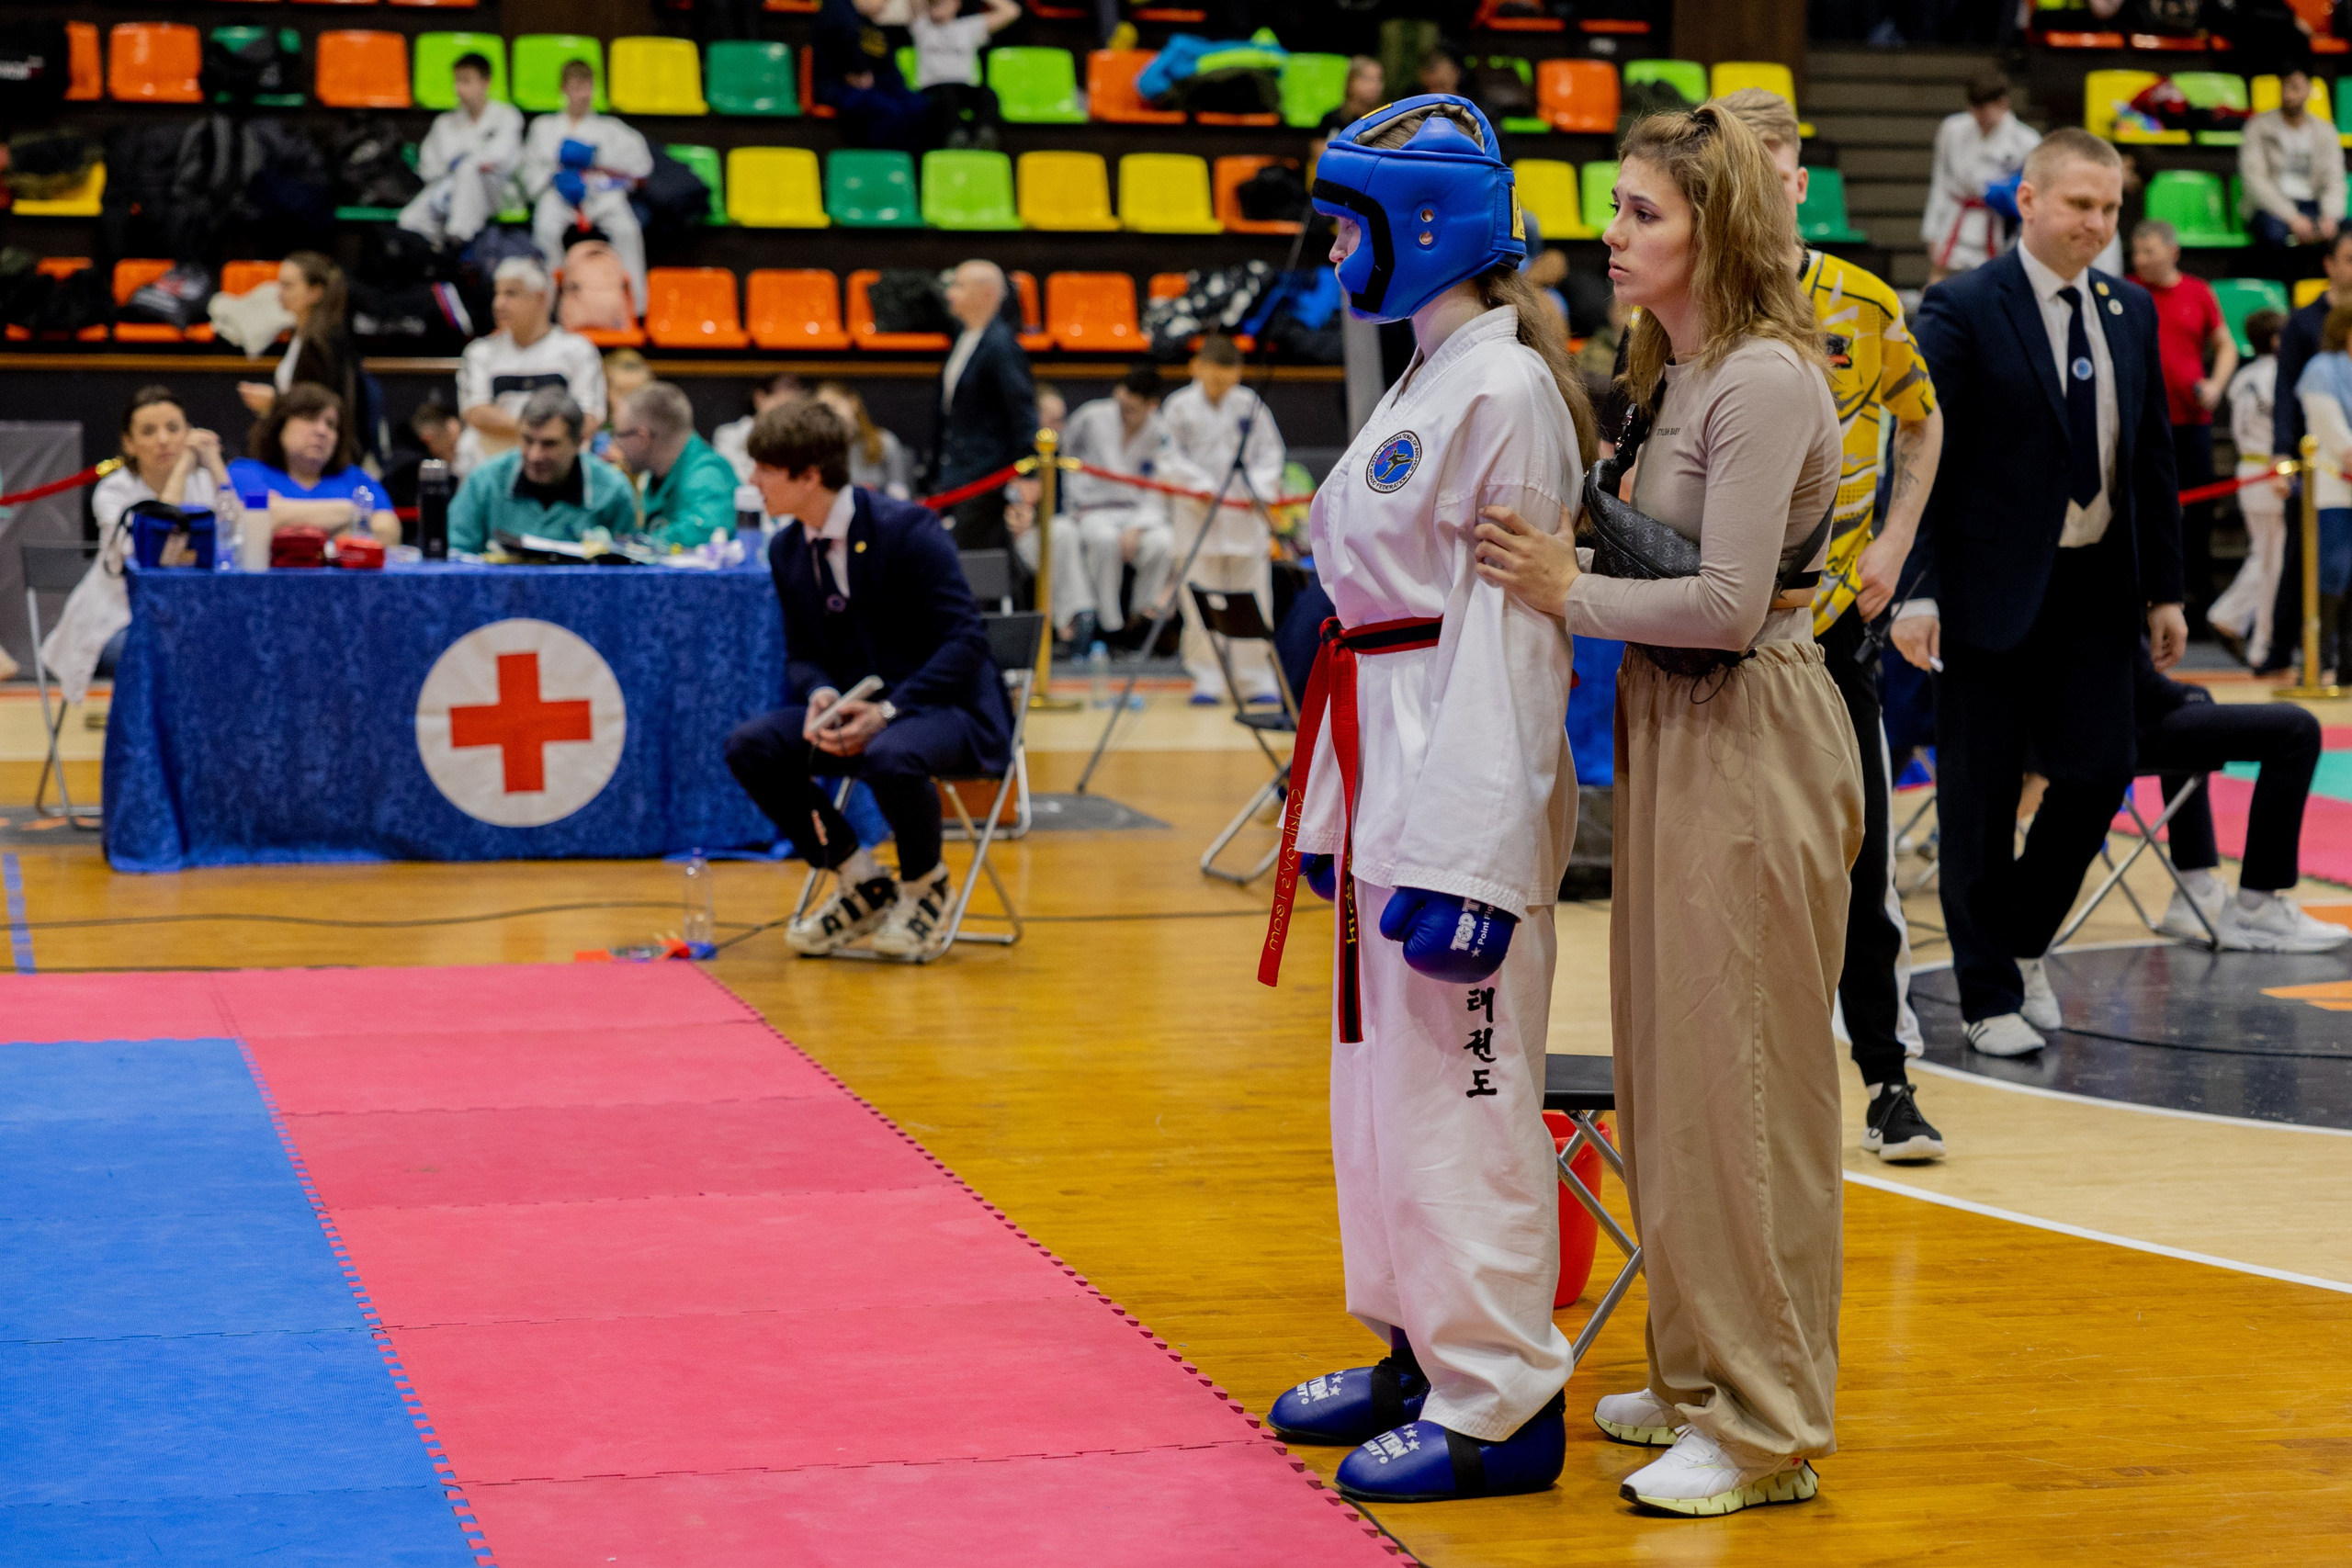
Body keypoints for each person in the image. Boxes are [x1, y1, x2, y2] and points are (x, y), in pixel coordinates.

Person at [1473, 103, 1857, 1517]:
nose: (1612, 233)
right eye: (1616, 206)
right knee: (1678, 1071)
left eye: (1641, 212)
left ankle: (1767, 1424)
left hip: (1753, 724)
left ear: (1719, 228)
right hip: (1680, 721)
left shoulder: (1762, 378)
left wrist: (1563, 586)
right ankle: (1701, 1370)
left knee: (1749, 1084)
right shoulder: (1679, 368)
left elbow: (1729, 601)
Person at [1260, 92, 1593, 1509]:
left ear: (1423, 227)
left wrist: (1472, 857)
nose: (1334, 249)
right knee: (1380, 1094)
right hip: (1383, 748)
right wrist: (1338, 815)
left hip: (1459, 764)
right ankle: (1416, 1348)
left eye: (1348, 223)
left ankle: (1502, 1394)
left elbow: (1513, 639)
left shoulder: (1505, 389)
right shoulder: (1431, 370)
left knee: (1462, 1095)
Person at [1894, 128, 2188, 1058]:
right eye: (2079, 206)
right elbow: (1918, 456)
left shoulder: (2129, 308)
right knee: (1977, 800)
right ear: (2027, 200)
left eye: (2109, 209)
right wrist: (1918, 587)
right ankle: (1987, 996)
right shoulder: (1963, 305)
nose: (2097, 225)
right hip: (1986, 590)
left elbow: (2149, 459)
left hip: (2096, 587)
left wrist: (2167, 592)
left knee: (2101, 771)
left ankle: (2018, 942)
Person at [1718, 85, 1949, 1164]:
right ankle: (1730, 1083)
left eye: (1777, 176)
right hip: (1713, 638)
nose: (1764, 196)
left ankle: (1888, 1078)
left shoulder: (1857, 303)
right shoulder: (1685, 310)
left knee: (1859, 862)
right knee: (1723, 866)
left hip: (1830, 638)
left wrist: (1896, 544)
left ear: (1799, 182)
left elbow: (1924, 419)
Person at [723, 397, 1011, 962]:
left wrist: (890, 710)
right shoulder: (786, 549)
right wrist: (822, 695)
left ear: (809, 476)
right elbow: (803, 654)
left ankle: (925, 885)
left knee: (889, 755)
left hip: (947, 709)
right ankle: (860, 879)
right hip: (866, 710)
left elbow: (966, 642)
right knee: (751, 746)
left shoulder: (908, 529)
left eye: (765, 469)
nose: (753, 481)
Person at [2135, 648, 2350, 952]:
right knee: (2298, 730)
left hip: (2076, 730)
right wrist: (2187, 695)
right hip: (2113, 731)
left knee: (2190, 712)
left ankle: (2195, 890)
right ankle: (2256, 910)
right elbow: (2131, 678)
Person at [43, 387, 244, 705]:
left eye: (174, 429)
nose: (164, 440)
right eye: (149, 431)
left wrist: (214, 464)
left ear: (189, 434)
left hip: (191, 615)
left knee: (241, 644)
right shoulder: (112, 492)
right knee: (166, 650)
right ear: (129, 443)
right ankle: (147, 748)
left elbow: (238, 539)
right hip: (119, 619)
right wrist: (182, 469)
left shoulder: (205, 483)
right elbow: (150, 556)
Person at [1158, 334, 1286, 704]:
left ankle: (1255, 676)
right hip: (1197, 515)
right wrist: (1199, 485)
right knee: (1198, 602)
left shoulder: (1249, 404)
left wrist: (1260, 490)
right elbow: (1169, 459)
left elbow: (1270, 455)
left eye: (1229, 381)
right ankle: (1207, 676)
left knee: (1254, 598)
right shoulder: (1178, 407)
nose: (1222, 388)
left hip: (1245, 518)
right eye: (1215, 380)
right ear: (1196, 368)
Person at [2131, 219, 2235, 632]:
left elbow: (2224, 344)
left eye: (2149, 252)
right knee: (2147, 510)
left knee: (2200, 510)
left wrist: (2215, 385)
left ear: (2172, 252)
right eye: (2136, 253)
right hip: (2142, 423)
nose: (2141, 260)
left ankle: (2196, 594)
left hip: (2191, 422)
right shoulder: (2128, 291)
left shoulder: (2198, 292)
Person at [2261, 223, 2352, 674]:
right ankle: (2284, 651)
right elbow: (2285, 394)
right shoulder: (2304, 322)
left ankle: (2340, 657)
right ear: (2330, 265)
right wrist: (2281, 452)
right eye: (2349, 260)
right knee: (2305, 556)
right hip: (2316, 461)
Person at [453, 257, 606, 477]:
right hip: (492, 472)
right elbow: (476, 413)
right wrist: (542, 433)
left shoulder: (578, 350)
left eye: (511, 294)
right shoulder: (479, 351)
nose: (498, 304)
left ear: (541, 298)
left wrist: (533, 439)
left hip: (559, 474)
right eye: (497, 294)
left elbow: (588, 419)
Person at [522, 60, 652, 317]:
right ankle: (549, 306)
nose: (582, 95)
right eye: (575, 87)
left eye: (587, 88)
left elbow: (641, 166)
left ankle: (635, 307)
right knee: (545, 230)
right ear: (563, 89)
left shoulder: (611, 129)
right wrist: (556, 173)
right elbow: (529, 169)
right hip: (558, 193)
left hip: (600, 193)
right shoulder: (544, 127)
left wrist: (598, 157)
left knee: (628, 230)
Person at [925, 259, 1036, 553]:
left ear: (986, 294)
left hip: (984, 477)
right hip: (957, 474)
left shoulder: (1001, 346)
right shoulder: (963, 337)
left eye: (959, 286)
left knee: (971, 561)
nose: (950, 294)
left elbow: (1022, 411)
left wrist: (1028, 472)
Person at [446, 388, 639, 555]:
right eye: (527, 440)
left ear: (578, 442)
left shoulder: (613, 491)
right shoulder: (484, 483)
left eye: (549, 444)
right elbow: (455, 556)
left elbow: (625, 571)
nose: (534, 456)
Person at [1061, 364, 1174, 644]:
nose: (1123, 412)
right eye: (1120, 404)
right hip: (1092, 508)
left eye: (1132, 408)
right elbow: (1064, 461)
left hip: (1137, 511)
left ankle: (1141, 622)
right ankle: (1108, 625)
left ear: (1152, 406)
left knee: (1164, 543)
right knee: (1105, 541)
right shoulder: (1091, 416)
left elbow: (1159, 485)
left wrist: (1138, 527)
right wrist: (1073, 506)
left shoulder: (1161, 432)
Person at [228, 383, 400, 544]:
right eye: (309, 419)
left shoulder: (356, 478)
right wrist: (351, 510)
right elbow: (257, 521)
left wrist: (287, 521)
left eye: (331, 424)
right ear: (280, 426)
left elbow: (389, 531)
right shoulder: (245, 472)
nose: (321, 431)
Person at [2212, 309, 2288, 667]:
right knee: (2272, 561)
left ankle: (2241, 625)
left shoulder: (2243, 376)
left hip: (2249, 470)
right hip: (2270, 473)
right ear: (2277, 341)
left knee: (2265, 555)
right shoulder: (2278, 377)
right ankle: (2251, 635)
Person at [1922, 71, 2041, 282]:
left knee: (1991, 292)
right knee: (1939, 287)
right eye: (1974, 110)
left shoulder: (2027, 141)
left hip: (1999, 227)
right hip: (1955, 221)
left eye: (1984, 111)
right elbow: (1940, 181)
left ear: (2003, 104)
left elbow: (2030, 197)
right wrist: (1931, 232)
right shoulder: (1953, 129)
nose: (1978, 117)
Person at [398, 51, 524, 249]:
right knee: (408, 219)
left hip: (494, 191)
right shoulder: (445, 123)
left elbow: (503, 160)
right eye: (457, 81)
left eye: (466, 81)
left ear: (486, 82)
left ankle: (458, 240)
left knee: (468, 170)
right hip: (448, 190)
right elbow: (428, 167)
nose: (459, 89)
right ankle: (437, 256)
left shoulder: (506, 116)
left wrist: (467, 161)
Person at [235, 253, 357, 447]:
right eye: (280, 284)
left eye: (288, 286)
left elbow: (318, 406)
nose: (279, 292)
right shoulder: (301, 334)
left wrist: (273, 403)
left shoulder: (320, 343)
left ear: (315, 292)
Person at [2293, 301, 2352, 677]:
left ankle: (2348, 661)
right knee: (2334, 572)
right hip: (2333, 490)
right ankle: (2320, 659)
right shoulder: (2321, 370)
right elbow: (2337, 440)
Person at [610, 382, 738, 549]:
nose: (614, 444)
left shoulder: (706, 473)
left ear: (643, 439)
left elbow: (708, 530)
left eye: (619, 435)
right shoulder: (657, 474)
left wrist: (638, 544)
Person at [2240, 63, 2346, 252]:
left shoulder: (2325, 131)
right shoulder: (2258, 127)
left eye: (2295, 88)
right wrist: (2292, 217)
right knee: (2273, 233)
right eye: (2284, 87)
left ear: (2308, 89)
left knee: (2345, 232)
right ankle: (2282, 282)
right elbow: (2255, 181)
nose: (2288, 95)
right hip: (2271, 208)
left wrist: (2330, 216)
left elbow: (2335, 180)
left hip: (2313, 205)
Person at [813, 0, 936, 152]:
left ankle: (909, 167)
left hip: (875, 88)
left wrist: (898, 88)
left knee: (918, 104)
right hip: (838, 87)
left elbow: (889, 69)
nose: (884, 6)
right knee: (887, 109)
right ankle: (884, 165)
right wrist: (859, 70)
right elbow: (846, 38)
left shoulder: (870, 25)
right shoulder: (837, 9)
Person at [909, 0, 1020, 149]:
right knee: (947, 97)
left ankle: (983, 137)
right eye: (934, 2)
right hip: (934, 88)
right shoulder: (922, 26)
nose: (938, 4)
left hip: (964, 87)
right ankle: (954, 138)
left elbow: (1011, 11)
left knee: (989, 95)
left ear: (957, 4)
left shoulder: (969, 26)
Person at [816, 381, 915, 497]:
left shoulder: (885, 441)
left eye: (834, 406)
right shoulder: (819, 449)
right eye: (823, 411)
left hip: (881, 511)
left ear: (853, 403)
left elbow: (900, 494)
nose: (830, 414)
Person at [717, 372, 808, 482]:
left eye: (793, 409)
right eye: (781, 406)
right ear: (760, 398)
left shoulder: (800, 439)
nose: (787, 415)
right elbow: (730, 479)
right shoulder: (728, 435)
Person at [384, 400, 462, 512]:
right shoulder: (410, 473)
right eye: (452, 446)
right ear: (428, 438)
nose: (455, 453)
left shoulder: (394, 459)